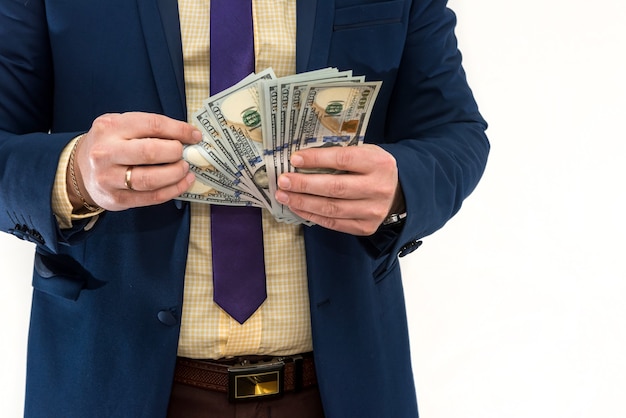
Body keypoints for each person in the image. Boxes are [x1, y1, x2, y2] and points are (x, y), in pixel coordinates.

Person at [0, 0, 489, 417]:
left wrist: (401, 185)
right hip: (110, 380)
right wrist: (73, 174)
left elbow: (455, 132)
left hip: (342, 386)